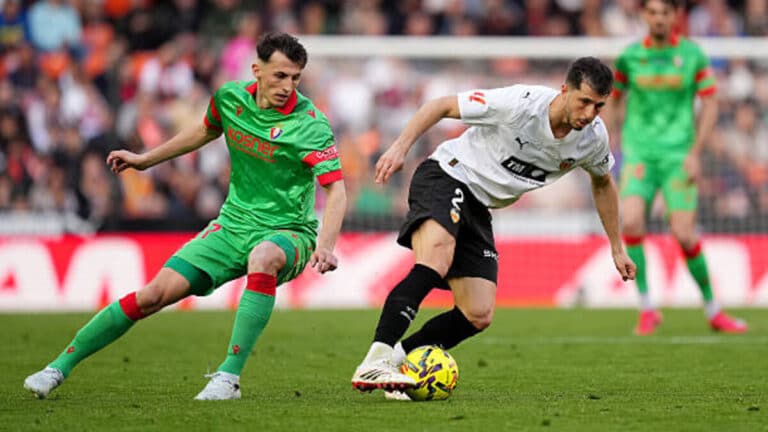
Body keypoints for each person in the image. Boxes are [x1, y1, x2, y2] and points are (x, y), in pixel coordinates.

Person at [23, 32, 347, 400]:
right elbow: (202, 132)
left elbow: (336, 189)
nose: (288, 86)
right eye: (280, 76)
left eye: (295, 78)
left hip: (289, 231)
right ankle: (56, 369)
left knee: (263, 257)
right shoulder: (229, 100)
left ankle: (228, 378)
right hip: (231, 227)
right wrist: (145, 160)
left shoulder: (311, 126)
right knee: (152, 295)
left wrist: (326, 245)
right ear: (257, 70)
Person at [350, 57, 636, 395]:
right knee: (435, 259)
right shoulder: (521, 104)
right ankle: (376, 356)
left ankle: (397, 363)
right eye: (584, 101)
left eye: (598, 107)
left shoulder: (593, 139)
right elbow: (441, 105)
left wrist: (617, 247)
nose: (589, 114)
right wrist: (399, 148)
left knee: (478, 313)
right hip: (448, 174)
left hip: (479, 205)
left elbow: (602, 183)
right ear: (565, 90)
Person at [610, 0, 747, 335]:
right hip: (640, 155)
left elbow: (711, 102)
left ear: (675, 16)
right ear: (645, 16)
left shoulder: (692, 55)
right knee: (630, 221)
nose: (658, 19)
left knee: (684, 234)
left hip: (678, 156)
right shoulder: (629, 57)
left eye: (664, 13)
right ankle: (646, 308)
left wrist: (696, 151)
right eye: (652, 12)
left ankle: (714, 310)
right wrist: (612, 140)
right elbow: (614, 99)